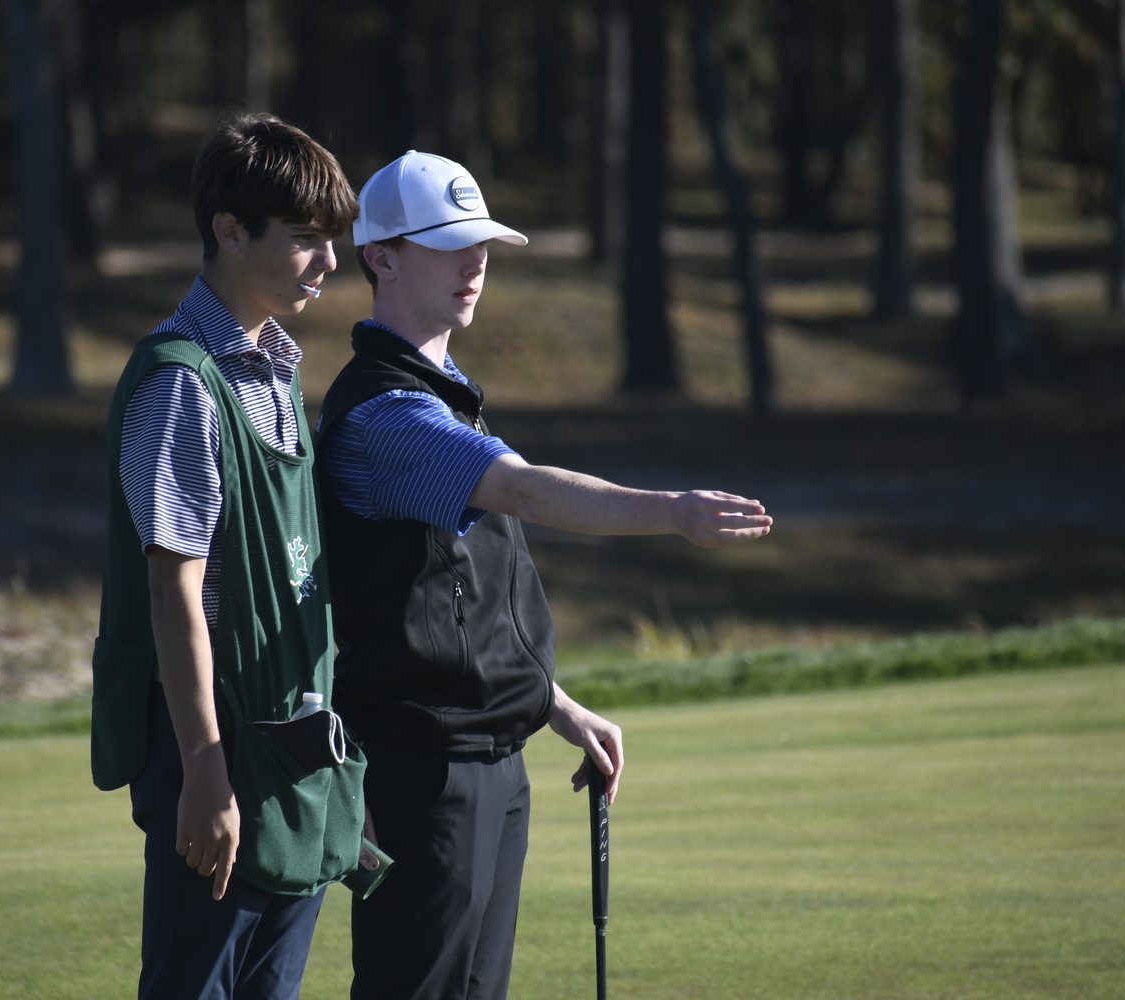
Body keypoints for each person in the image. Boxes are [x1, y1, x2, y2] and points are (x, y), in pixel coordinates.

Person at [314, 151, 774, 1000]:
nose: (475, 262)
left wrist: (552, 705)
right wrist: (671, 510)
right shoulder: (387, 413)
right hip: (425, 773)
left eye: (481, 242)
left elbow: (457, 595)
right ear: (382, 256)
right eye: (450, 244)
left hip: (490, 758)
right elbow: (522, 489)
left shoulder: (443, 390)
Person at [90, 114, 366, 1000]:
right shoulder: (180, 381)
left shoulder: (278, 366)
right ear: (229, 230)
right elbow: (174, 592)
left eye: (334, 242)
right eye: (306, 241)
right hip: (214, 752)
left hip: (287, 746)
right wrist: (204, 773)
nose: (329, 264)